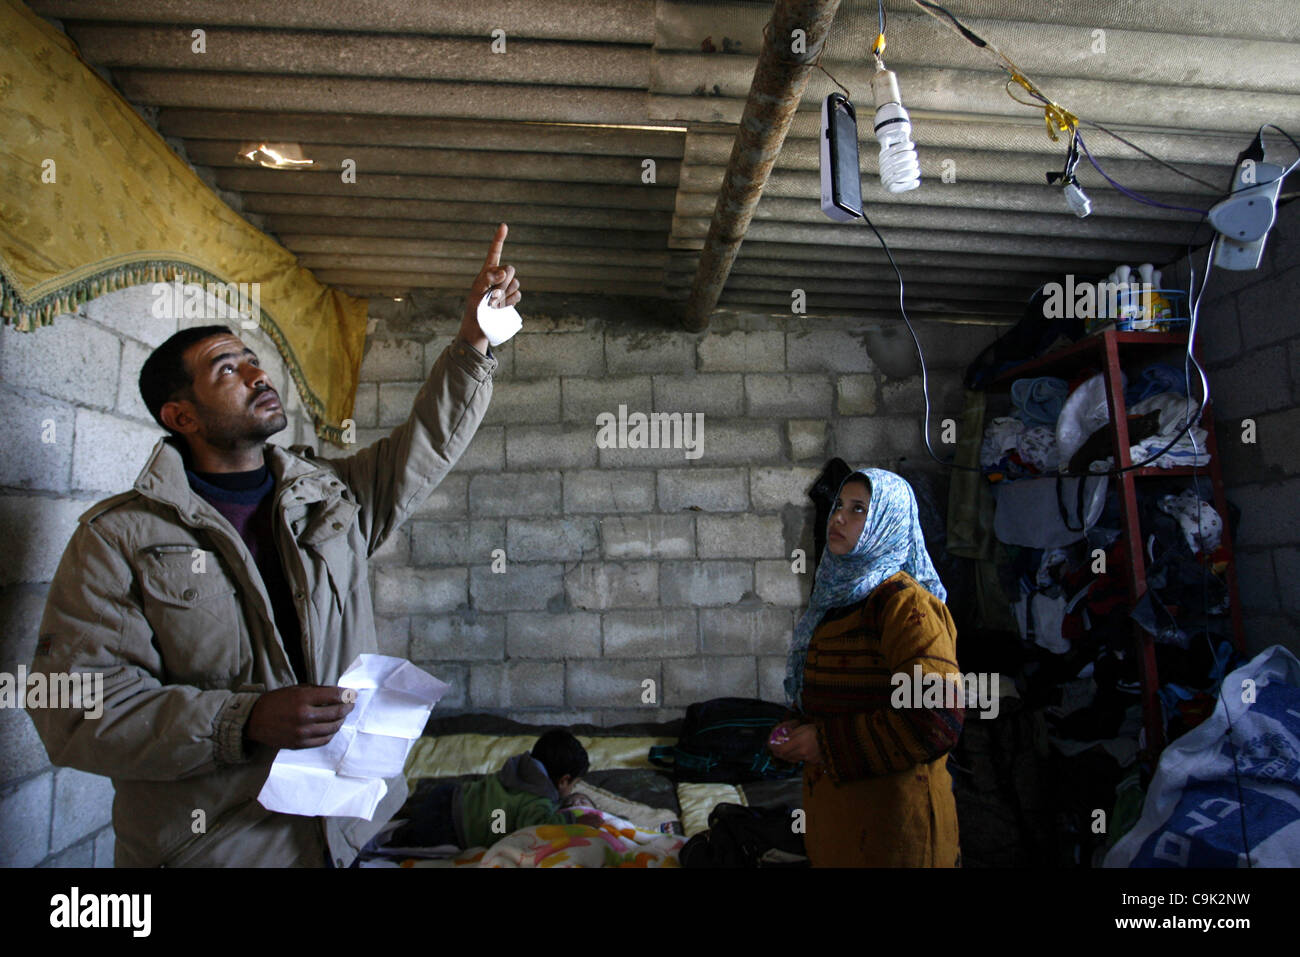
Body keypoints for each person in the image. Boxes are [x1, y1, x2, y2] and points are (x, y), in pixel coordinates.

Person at [26, 224, 521, 867]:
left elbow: (426, 442)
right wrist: (244, 720)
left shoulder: (330, 497)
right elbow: (76, 712)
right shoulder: (118, 538)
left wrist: (474, 340)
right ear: (182, 416)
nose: (257, 375)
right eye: (226, 369)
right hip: (218, 849)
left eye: (252, 360)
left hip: (341, 832)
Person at [768, 468, 963, 867]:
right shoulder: (842, 597)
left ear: (887, 522)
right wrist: (798, 724)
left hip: (895, 832)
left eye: (858, 510)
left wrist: (824, 742)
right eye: (839, 505)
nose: (838, 517)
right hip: (842, 825)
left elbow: (937, 717)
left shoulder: (905, 606)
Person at [390, 729, 602, 851]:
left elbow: (501, 811)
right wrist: (573, 822)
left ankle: (404, 813)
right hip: (455, 826)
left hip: (451, 794)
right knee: (402, 840)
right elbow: (537, 829)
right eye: (574, 785)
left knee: (409, 817)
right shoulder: (539, 800)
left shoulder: (520, 770)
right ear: (564, 780)